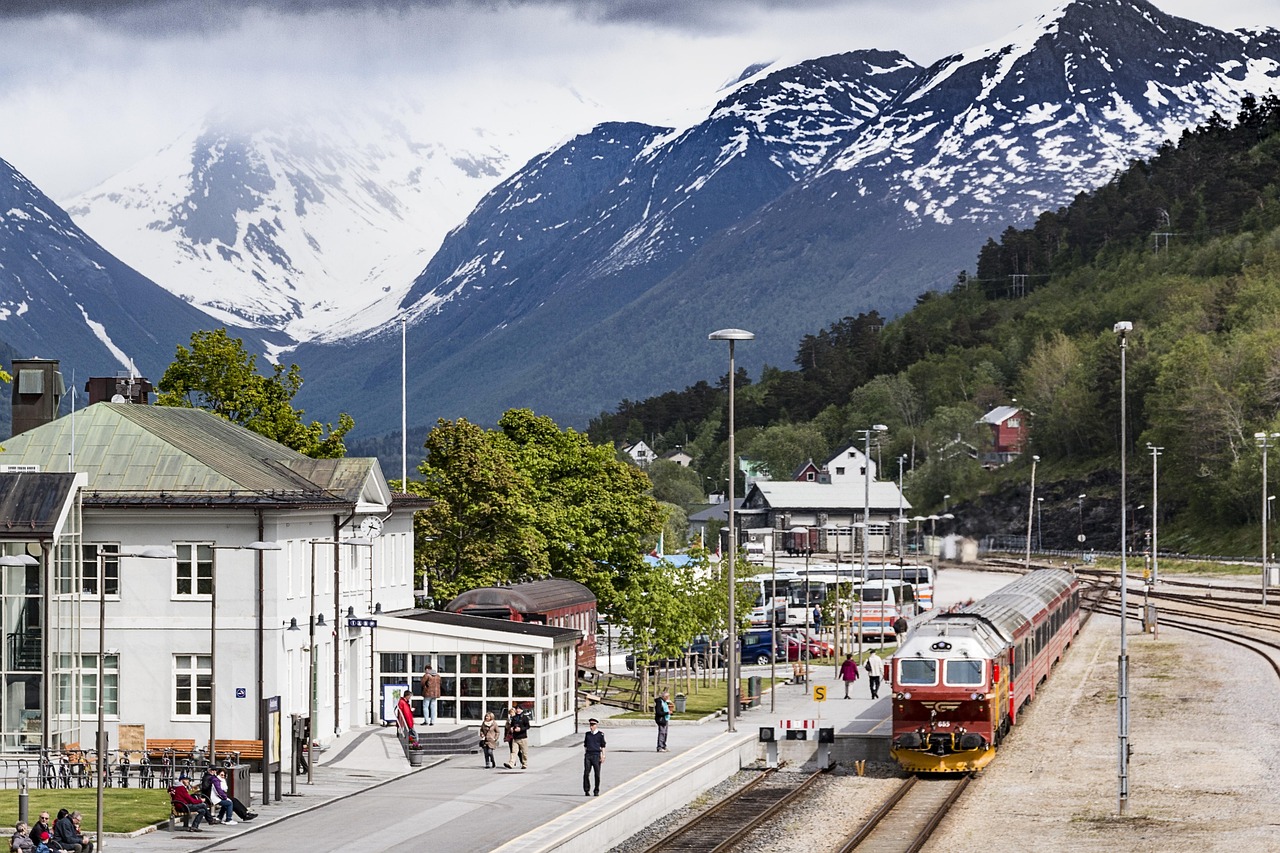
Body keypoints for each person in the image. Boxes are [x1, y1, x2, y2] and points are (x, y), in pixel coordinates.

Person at [582, 717, 606, 797]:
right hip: (588, 755)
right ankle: (586, 790)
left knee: (597, 774)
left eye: (592, 725)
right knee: (586, 773)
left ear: (596, 725)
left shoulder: (600, 734)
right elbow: (585, 745)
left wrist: (603, 755)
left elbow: (603, 746)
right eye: (590, 725)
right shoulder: (587, 734)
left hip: (596, 755)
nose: (591, 726)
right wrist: (586, 754)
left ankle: (596, 790)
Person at [503, 704, 530, 769]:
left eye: (519, 709)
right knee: (514, 751)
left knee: (524, 752)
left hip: (523, 737)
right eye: (517, 709)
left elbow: (528, 726)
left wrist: (520, 729)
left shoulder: (525, 718)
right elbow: (511, 725)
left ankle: (524, 764)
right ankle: (511, 764)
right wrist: (512, 728)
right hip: (515, 738)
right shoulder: (514, 718)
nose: (518, 710)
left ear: (522, 710)